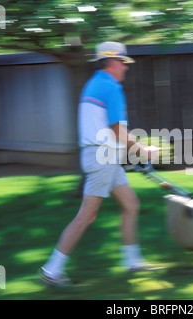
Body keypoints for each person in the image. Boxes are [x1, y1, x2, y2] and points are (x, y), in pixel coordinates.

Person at [38, 41, 161, 286]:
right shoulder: (110, 87)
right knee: (86, 216)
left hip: (102, 156)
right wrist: (144, 151)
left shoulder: (94, 83)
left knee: (131, 204)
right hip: (102, 158)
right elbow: (118, 130)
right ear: (114, 62)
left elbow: (112, 131)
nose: (126, 68)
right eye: (124, 63)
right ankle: (52, 270)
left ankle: (132, 262)